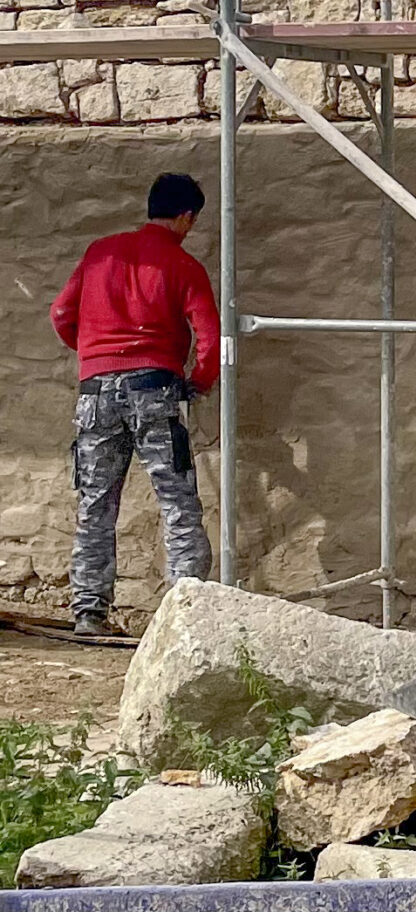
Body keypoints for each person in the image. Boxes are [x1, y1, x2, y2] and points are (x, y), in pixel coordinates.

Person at [50, 172, 220, 638]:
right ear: (186, 217)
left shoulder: (100, 252)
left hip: (95, 394)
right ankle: (187, 614)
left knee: (95, 504)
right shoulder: (183, 266)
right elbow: (209, 337)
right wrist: (198, 382)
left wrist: (93, 355)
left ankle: (88, 612)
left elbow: (61, 314)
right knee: (177, 501)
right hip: (155, 390)